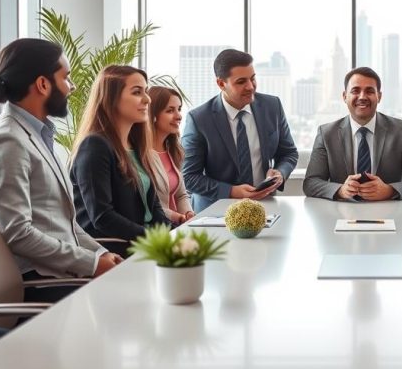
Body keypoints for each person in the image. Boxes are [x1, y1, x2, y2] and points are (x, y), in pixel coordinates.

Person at [0, 39, 123, 303]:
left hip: (65, 276)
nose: (72, 86)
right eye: (66, 77)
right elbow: (18, 233)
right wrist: (91, 264)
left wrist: (99, 254)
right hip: (44, 285)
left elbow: (64, 223)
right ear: (43, 84)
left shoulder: (37, 134)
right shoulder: (7, 141)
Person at [181, 49, 298, 212]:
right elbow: (189, 177)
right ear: (221, 84)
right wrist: (231, 191)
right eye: (241, 81)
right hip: (215, 212)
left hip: (264, 208)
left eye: (253, 78)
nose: (250, 86)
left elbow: (288, 152)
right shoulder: (199, 119)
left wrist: (280, 173)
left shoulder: (272, 106)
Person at [70, 65, 169, 243]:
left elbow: (154, 211)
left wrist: (181, 235)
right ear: (112, 98)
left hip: (141, 243)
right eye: (137, 92)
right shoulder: (94, 146)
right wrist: (157, 241)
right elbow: (102, 218)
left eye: (145, 91)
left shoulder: (135, 147)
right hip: (114, 249)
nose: (147, 99)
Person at [304, 66, 402, 201]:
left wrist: (389, 191)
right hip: (341, 214)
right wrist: (340, 190)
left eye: (369, 91)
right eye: (355, 91)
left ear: (379, 96)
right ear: (344, 96)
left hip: (390, 213)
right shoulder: (326, 134)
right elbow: (310, 183)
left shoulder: (400, 130)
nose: (362, 97)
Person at [146, 85, 195, 224]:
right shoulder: (141, 154)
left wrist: (188, 214)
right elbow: (150, 205)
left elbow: (181, 195)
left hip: (177, 226)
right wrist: (178, 218)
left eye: (179, 109)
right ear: (153, 115)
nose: (179, 116)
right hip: (158, 228)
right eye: (170, 110)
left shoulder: (173, 149)